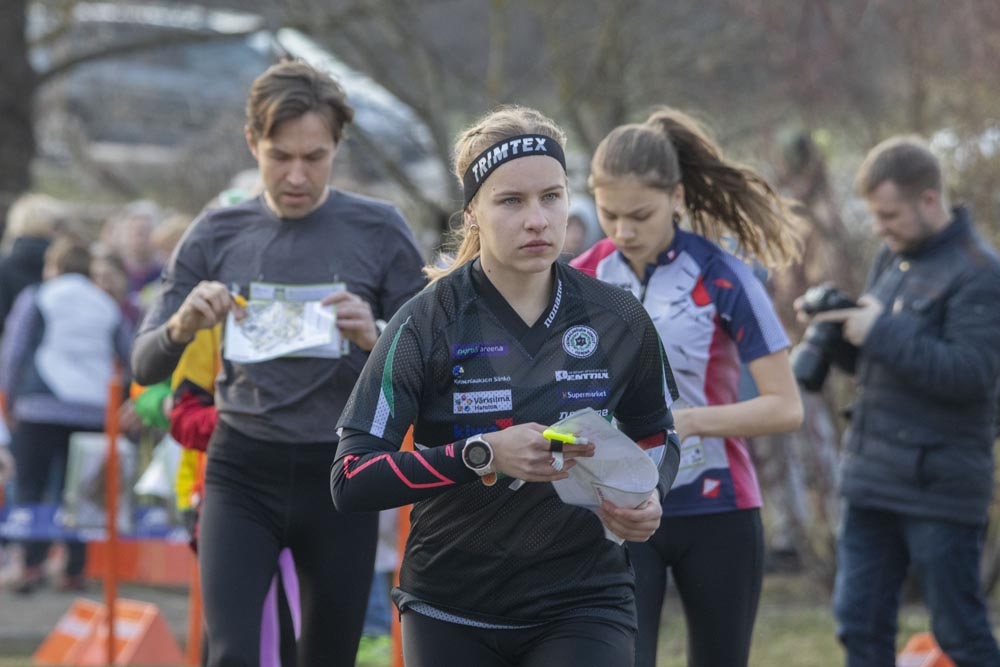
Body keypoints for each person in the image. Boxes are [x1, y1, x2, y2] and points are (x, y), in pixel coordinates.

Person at [330, 105, 681, 667]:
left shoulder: (617, 317)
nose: (537, 219)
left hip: (585, 600)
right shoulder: (426, 323)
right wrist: (481, 454)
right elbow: (351, 479)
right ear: (473, 212)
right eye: (511, 201)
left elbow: (656, 432)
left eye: (552, 196)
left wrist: (646, 494)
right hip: (451, 606)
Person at [130, 60, 426, 666]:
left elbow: (436, 370)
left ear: (338, 147)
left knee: (326, 656)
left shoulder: (379, 228)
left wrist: (375, 337)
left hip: (341, 473)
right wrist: (185, 324)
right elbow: (144, 364)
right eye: (279, 155)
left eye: (314, 157)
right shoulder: (216, 232)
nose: (296, 176)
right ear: (252, 142)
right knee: (233, 655)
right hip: (241, 470)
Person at [571, 108, 804, 667]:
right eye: (609, 214)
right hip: (618, 508)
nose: (623, 231)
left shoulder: (722, 274)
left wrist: (692, 420)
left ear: (676, 197)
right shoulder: (579, 277)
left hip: (717, 506)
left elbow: (786, 407)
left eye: (640, 215)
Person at [800, 136, 1000, 667]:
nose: (878, 227)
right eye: (874, 214)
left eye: (889, 214)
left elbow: (973, 375)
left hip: (941, 487)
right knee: (858, 625)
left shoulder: (980, 272)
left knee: (960, 633)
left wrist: (881, 331)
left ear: (929, 201)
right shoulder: (894, 257)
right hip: (873, 479)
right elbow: (879, 363)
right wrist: (839, 332)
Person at [0, 236, 133, 594]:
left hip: (39, 405)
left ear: (53, 267)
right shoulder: (105, 303)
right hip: (92, 411)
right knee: (80, 495)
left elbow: (15, 349)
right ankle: (74, 569)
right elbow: (130, 351)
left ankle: (30, 565)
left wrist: (8, 399)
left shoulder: (38, 295)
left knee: (31, 487)